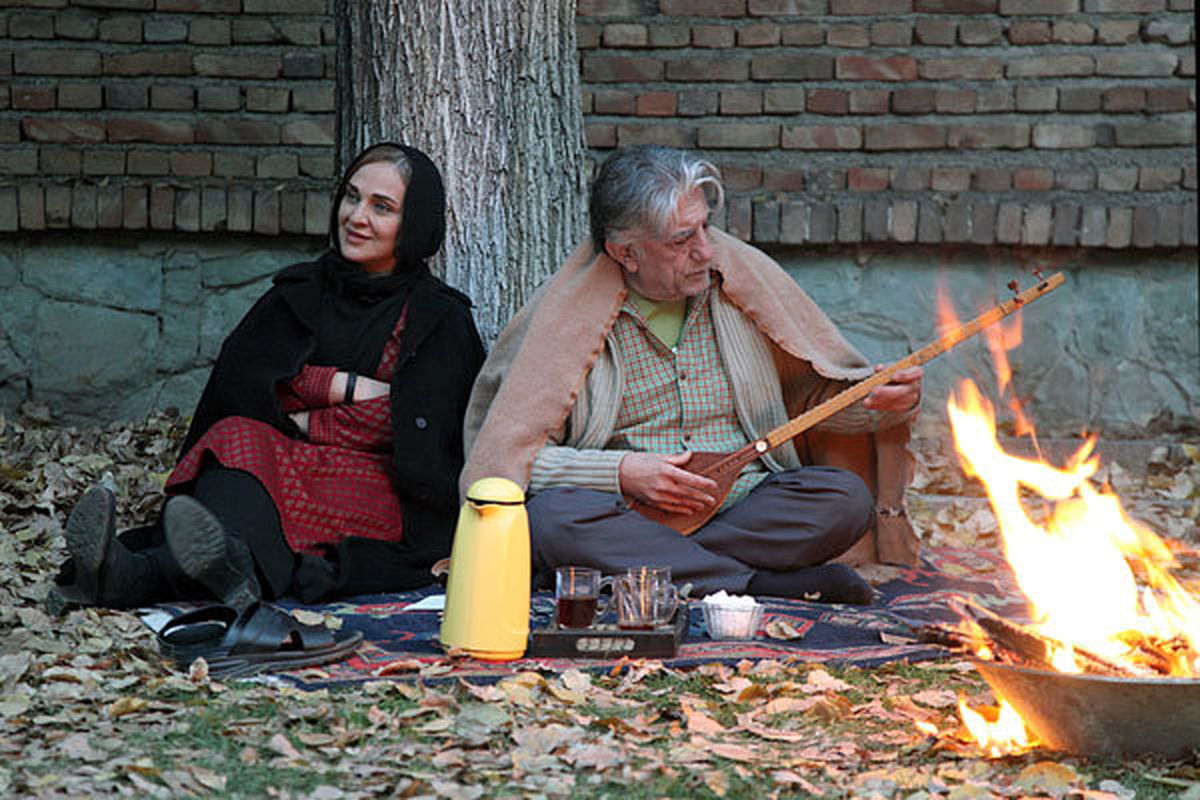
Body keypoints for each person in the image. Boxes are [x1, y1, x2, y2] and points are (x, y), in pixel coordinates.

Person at [462, 145, 921, 605]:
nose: (705, 250)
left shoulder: (740, 286)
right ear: (626, 252)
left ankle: (655, 571)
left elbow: (809, 402)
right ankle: (757, 585)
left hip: (744, 507)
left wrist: (873, 405)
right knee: (550, 520)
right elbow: (511, 462)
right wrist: (621, 472)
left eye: (706, 227)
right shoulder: (563, 320)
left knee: (842, 498)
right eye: (681, 240)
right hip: (626, 513)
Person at [51, 143, 486, 622]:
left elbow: (405, 427)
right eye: (351, 198)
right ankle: (221, 570)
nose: (357, 217)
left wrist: (303, 415)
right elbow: (253, 389)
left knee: (252, 492)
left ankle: (136, 575)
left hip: (379, 487)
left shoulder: (438, 319)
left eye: (381, 207)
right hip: (280, 460)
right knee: (235, 439)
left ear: (414, 224)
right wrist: (342, 386)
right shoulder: (298, 293)